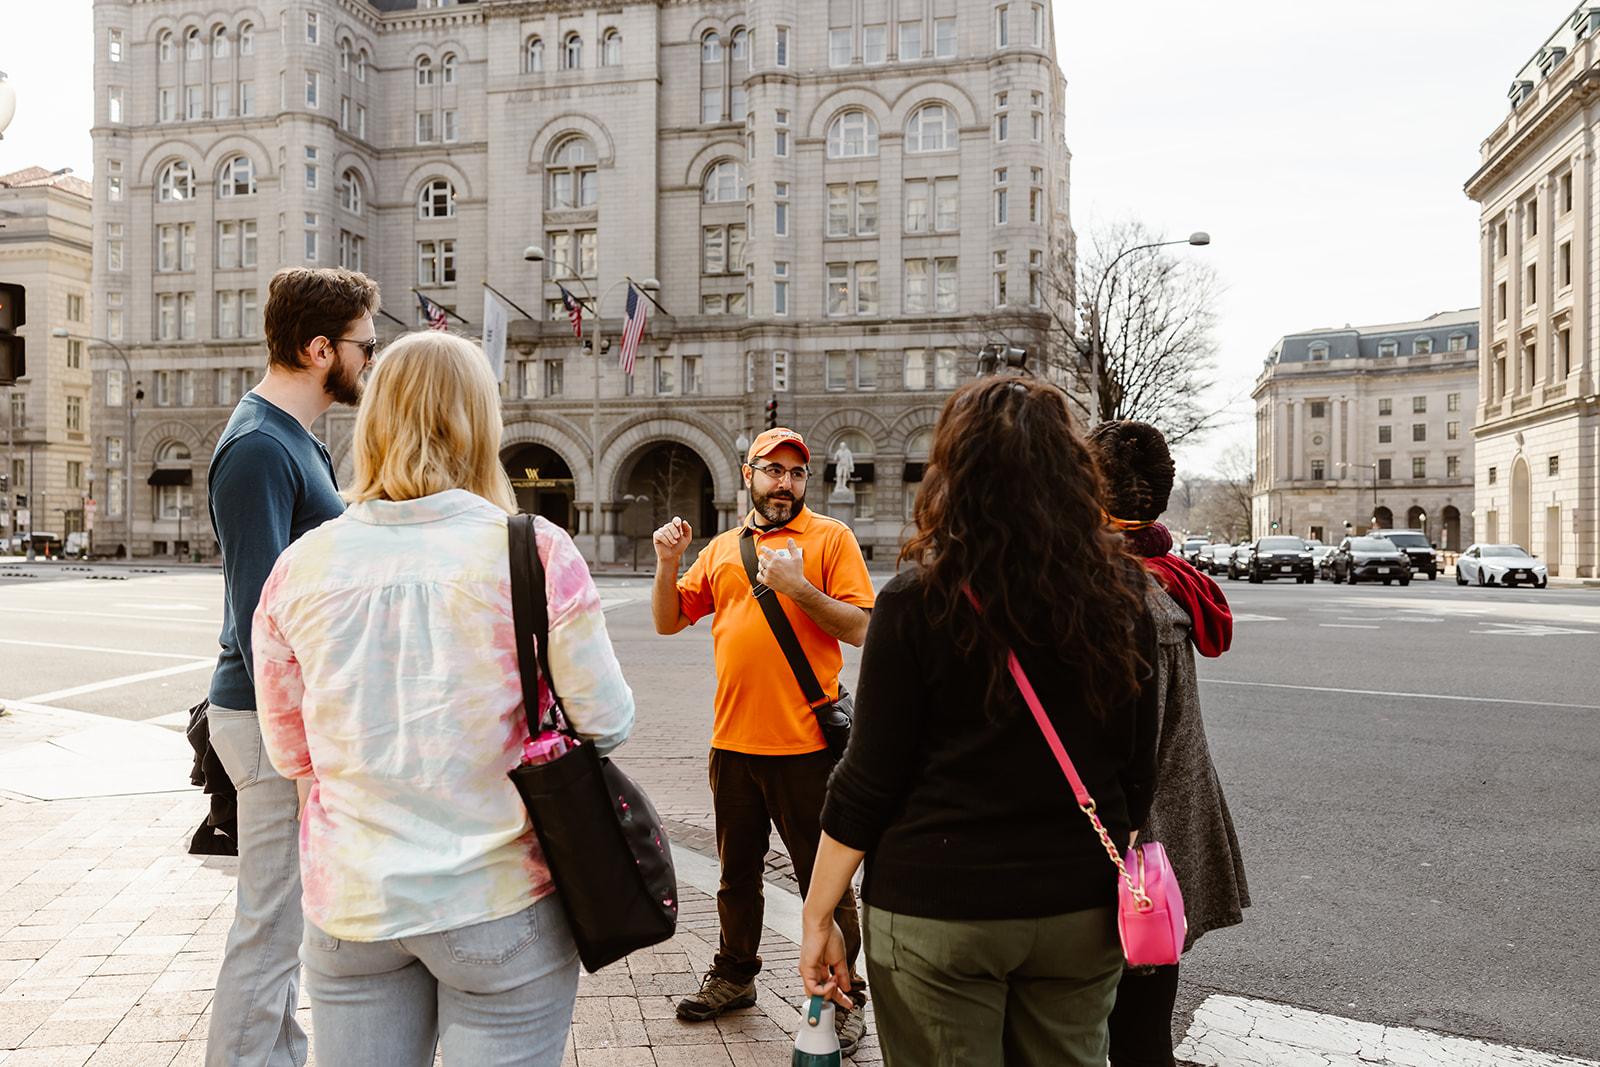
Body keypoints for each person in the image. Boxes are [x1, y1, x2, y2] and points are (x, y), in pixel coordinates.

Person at [251, 331, 635, 1067]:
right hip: (497, 897)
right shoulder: (533, 550)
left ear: (375, 421)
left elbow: (291, 753)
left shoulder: (300, 567)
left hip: (353, 901)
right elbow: (607, 721)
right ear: (479, 423)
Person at [799, 377, 1160, 1067]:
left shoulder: (915, 603)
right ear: (1073, 476)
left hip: (939, 904)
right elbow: (1138, 771)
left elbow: (867, 782)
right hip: (1079, 906)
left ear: (952, 477)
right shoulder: (1125, 600)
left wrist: (819, 914)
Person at [203, 266, 380, 1067]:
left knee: (284, 919)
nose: (371, 360)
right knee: (270, 924)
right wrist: (306, 744)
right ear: (319, 350)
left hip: (281, 715)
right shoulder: (257, 449)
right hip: (266, 717)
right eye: (364, 346)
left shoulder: (291, 438)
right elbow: (261, 617)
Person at [651, 427, 875, 1053]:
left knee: (824, 882)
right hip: (732, 744)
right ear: (748, 475)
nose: (785, 483)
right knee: (735, 876)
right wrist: (668, 563)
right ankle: (734, 974)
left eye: (796, 473)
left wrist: (798, 588)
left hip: (806, 747)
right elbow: (668, 621)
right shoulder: (724, 549)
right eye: (773, 470)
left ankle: (846, 995)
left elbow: (861, 627)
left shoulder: (831, 538)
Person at [1087, 420, 1250, 1067]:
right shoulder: (1171, 579)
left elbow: (1127, 748)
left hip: (1128, 839)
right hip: (1168, 827)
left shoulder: (1119, 596)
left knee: (1124, 1025)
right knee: (1146, 1015)